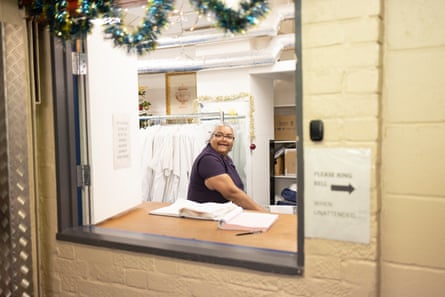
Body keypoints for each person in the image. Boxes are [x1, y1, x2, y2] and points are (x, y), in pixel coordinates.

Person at [187, 123, 265, 211]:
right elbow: (231, 193)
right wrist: (264, 213)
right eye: (219, 135)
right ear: (211, 138)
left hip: (222, 216)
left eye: (229, 137)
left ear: (233, 141)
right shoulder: (208, 160)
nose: (224, 139)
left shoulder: (225, 158)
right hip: (206, 219)